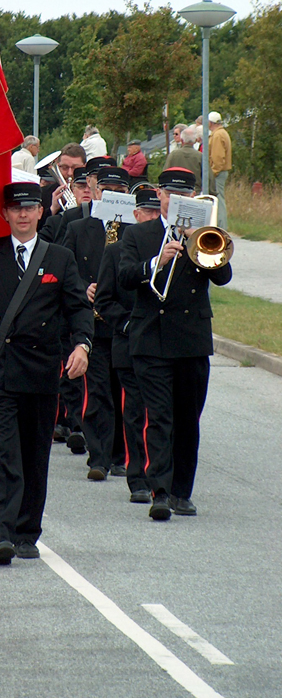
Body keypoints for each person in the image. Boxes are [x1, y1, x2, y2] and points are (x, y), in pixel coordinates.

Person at [0, 182, 93, 565]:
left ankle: (28, 530)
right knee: (4, 454)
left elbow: (78, 308)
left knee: (34, 455)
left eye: (30, 208)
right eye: (16, 209)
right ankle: (2, 533)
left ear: (41, 212)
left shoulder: (59, 257)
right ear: (6, 214)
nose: (24, 215)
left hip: (42, 372)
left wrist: (82, 345)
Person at [118, 168, 232, 521]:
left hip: (192, 341)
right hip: (151, 338)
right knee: (159, 416)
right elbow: (123, 277)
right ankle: (160, 491)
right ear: (160, 195)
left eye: (184, 196)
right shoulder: (139, 234)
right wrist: (156, 261)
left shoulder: (203, 235)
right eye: (169, 194)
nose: (175, 201)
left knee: (187, 419)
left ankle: (183, 491)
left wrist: (197, 240)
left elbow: (224, 276)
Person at [94, 187, 161, 504]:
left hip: (164, 344)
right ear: (135, 216)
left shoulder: (175, 249)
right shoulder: (117, 251)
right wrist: (127, 324)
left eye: (156, 213)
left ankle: (162, 473)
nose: (152, 218)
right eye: (146, 213)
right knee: (135, 413)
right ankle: (138, 477)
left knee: (163, 413)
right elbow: (104, 300)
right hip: (130, 343)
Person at [64, 166, 131, 480]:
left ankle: (122, 454)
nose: (111, 197)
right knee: (97, 390)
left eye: (118, 192)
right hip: (92, 322)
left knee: (123, 392)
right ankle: (99, 456)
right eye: (106, 191)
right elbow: (64, 268)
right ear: (97, 191)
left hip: (121, 322)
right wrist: (83, 287)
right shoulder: (79, 228)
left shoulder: (136, 231)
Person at [41, 143, 87, 223]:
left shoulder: (90, 192)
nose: (70, 173)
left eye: (75, 168)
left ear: (85, 166)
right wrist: (53, 209)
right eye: (65, 168)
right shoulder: (44, 193)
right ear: (58, 166)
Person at [208, 111, 232, 229]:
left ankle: (221, 227)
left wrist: (213, 173)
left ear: (210, 123)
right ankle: (220, 225)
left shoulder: (217, 135)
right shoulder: (222, 133)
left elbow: (217, 157)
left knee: (218, 200)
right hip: (221, 172)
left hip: (218, 173)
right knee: (219, 199)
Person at [162, 126, 202, 190]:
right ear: (194, 141)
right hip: (194, 191)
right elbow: (208, 177)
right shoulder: (200, 156)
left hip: (175, 190)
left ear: (182, 140)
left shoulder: (173, 155)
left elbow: (165, 173)